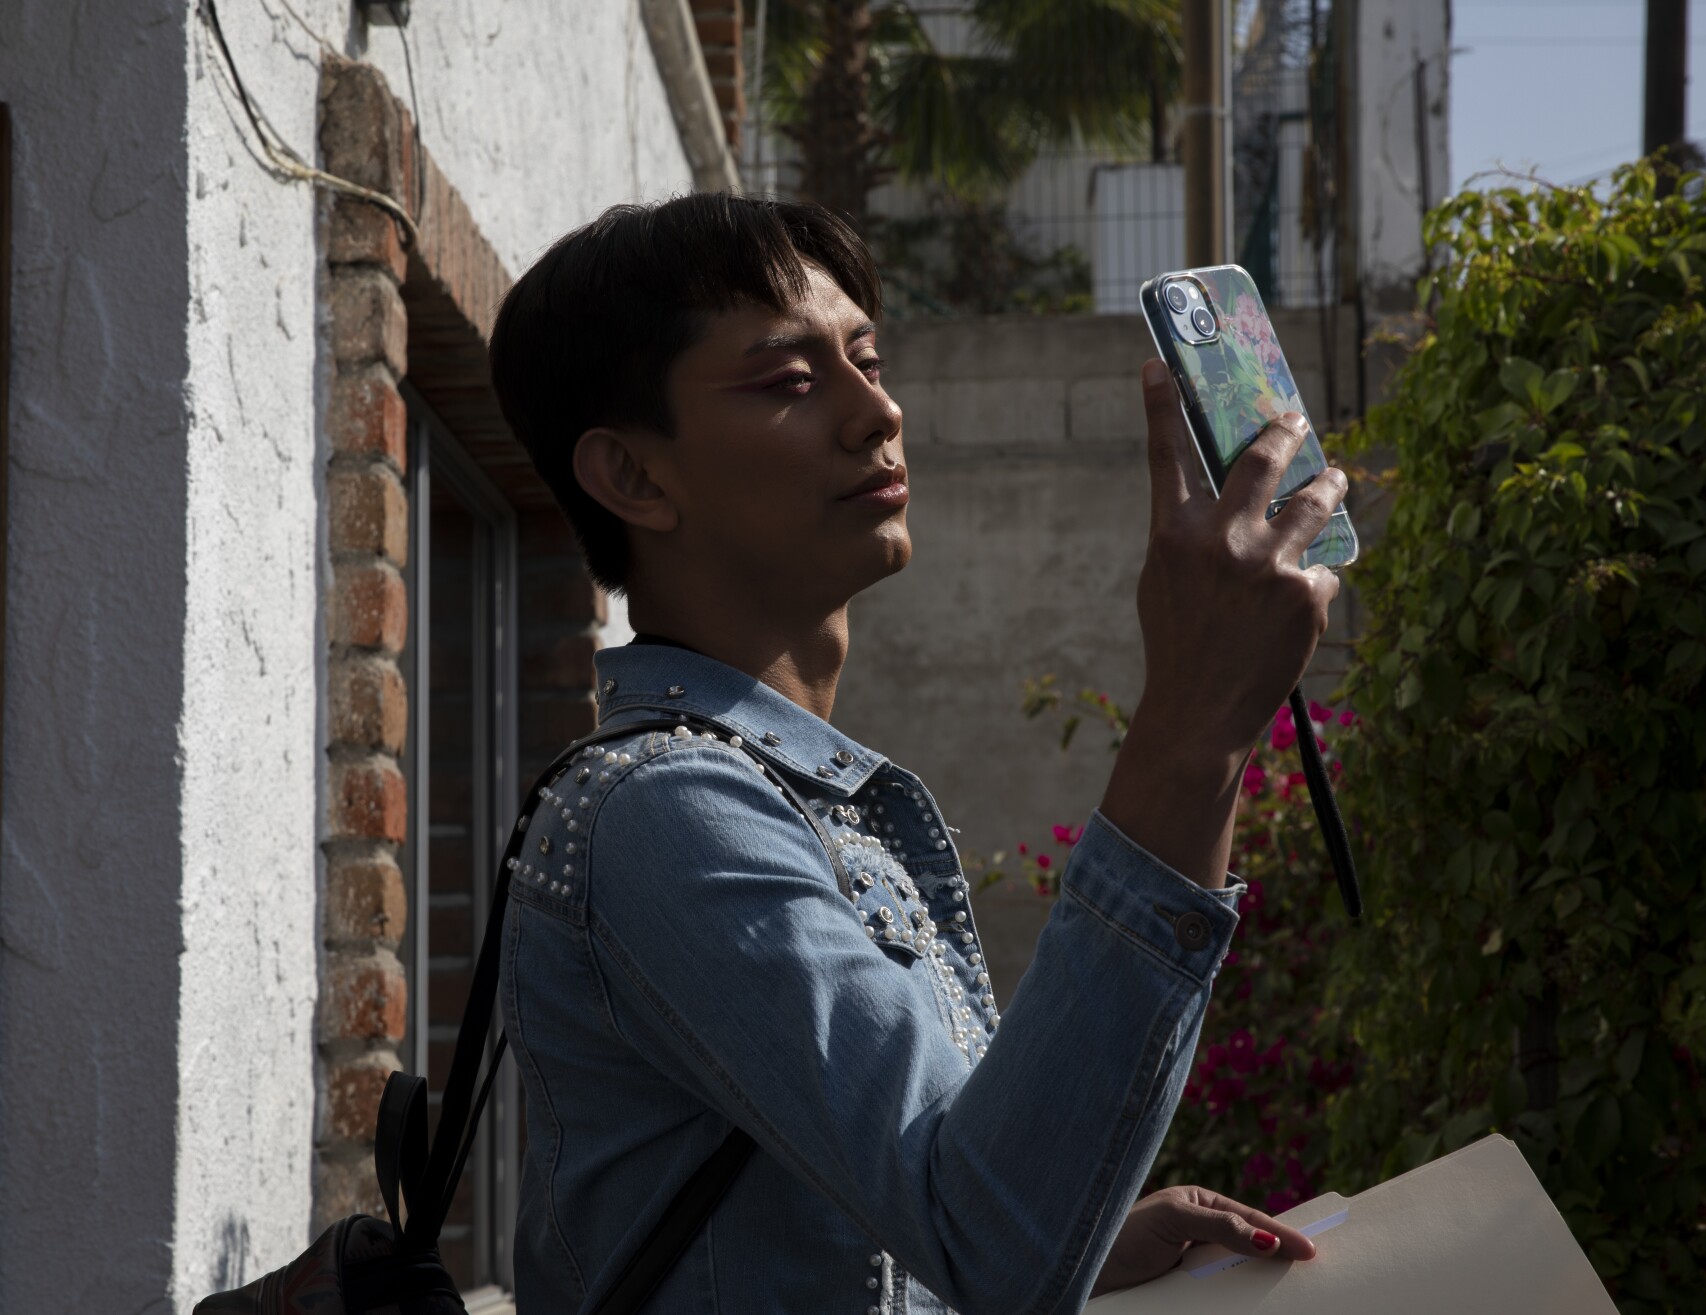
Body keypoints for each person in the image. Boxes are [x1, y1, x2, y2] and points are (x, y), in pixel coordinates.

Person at [486, 193, 1343, 1314]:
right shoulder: (663, 810)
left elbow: (946, 1209)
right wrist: (1195, 721)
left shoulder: (798, 799)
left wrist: (1088, 1234)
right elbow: (987, 1236)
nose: (874, 410)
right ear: (635, 479)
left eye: (868, 358)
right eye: (789, 381)